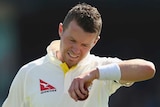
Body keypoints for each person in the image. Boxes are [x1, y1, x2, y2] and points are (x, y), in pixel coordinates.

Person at [2, 2, 156, 107]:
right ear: (61, 30)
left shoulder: (101, 68)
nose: (76, 50)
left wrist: (94, 74)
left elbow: (148, 69)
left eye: (84, 45)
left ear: (95, 42)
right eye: (72, 40)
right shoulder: (29, 72)